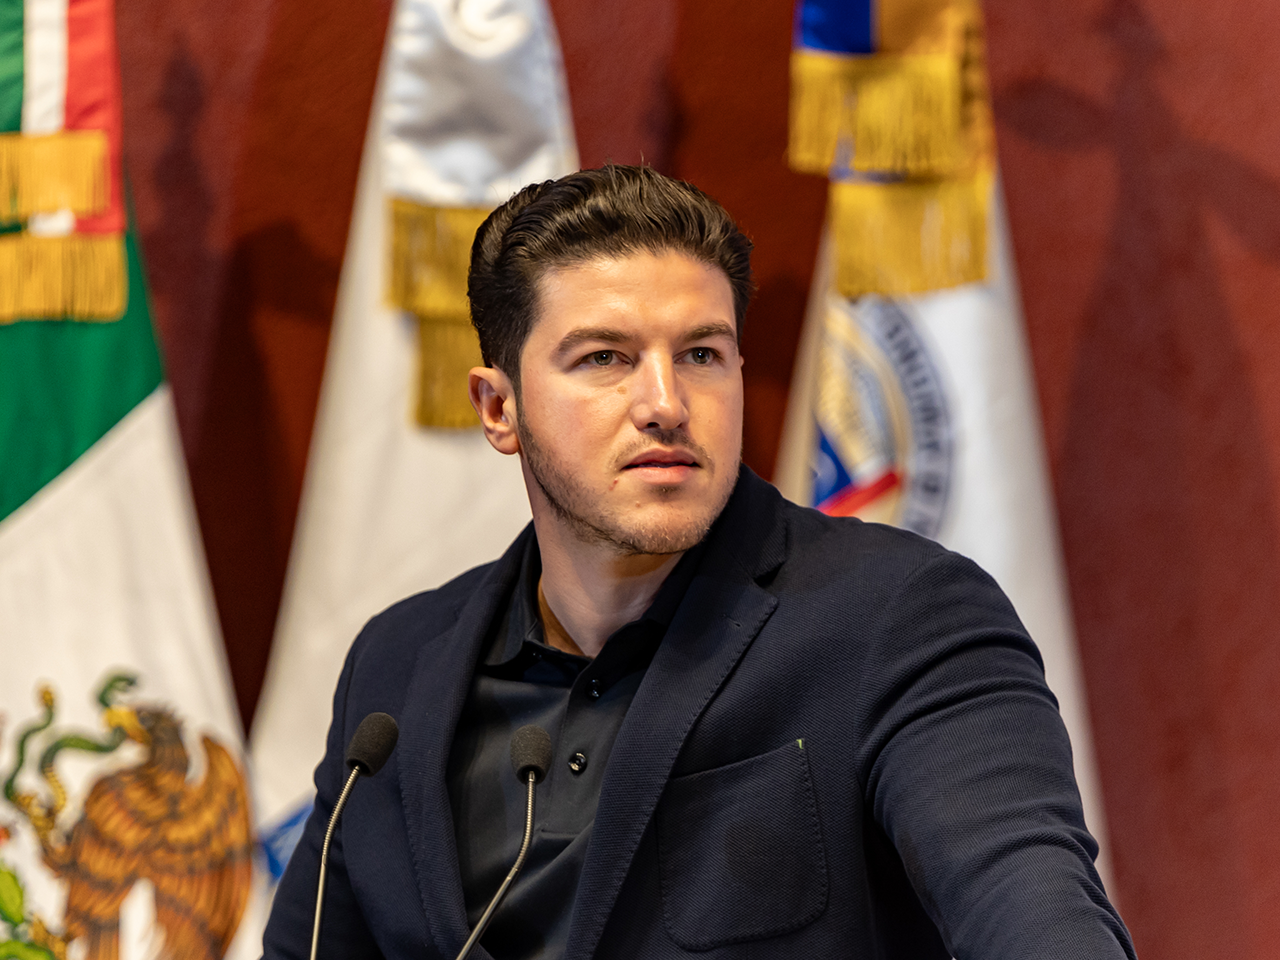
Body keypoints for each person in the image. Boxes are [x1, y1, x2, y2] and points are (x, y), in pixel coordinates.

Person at [262, 165, 1137, 960]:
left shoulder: (902, 616)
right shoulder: (396, 665)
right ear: (500, 409)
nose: (666, 403)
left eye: (701, 355)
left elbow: (1031, 903)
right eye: (605, 358)